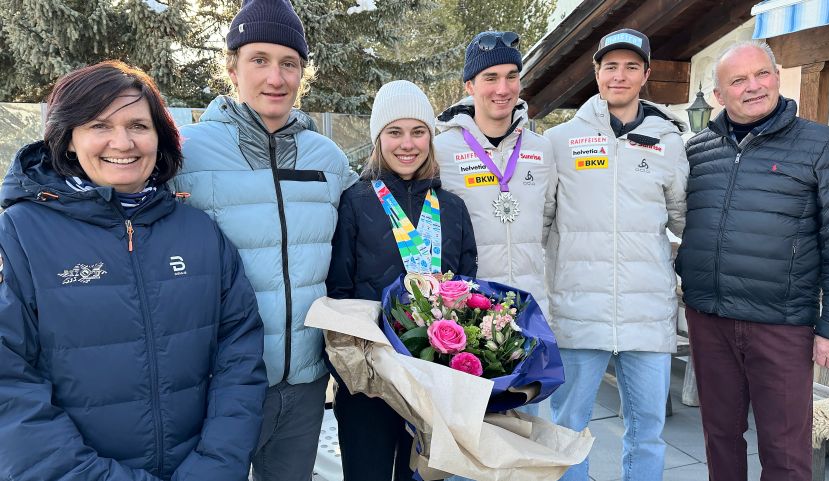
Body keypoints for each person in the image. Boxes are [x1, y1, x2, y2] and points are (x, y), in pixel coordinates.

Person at [0, 61, 267, 480]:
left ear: (159, 136)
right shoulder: (18, 235)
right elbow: (8, 385)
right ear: (69, 139)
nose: (122, 142)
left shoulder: (199, 232)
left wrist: (215, 466)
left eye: (138, 125)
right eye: (99, 125)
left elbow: (240, 354)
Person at [170, 0, 358, 478]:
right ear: (232, 68)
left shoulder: (328, 158)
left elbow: (378, 223)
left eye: (288, 63)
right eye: (259, 60)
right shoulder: (184, 154)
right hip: (220, 383)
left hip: (306, 379)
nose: (275, 78)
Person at [676, 40, 829, 481]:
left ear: (777, 77)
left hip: (782, 323)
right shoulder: (697, 151)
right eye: (739, 80)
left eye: (763, 74)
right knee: (719, 435)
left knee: (785, 448)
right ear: (719, 95)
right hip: (710, 316)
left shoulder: (824, 147)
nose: (754, 86)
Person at [543, 28, 689, 481]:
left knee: (647, 429)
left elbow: (683, 220)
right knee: (567, 428)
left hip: (646, 311)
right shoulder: (561, 140)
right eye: (610, 67)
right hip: (577, 309)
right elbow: (541, 222)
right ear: (596, 73)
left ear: (645, 74)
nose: (619, 76)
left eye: (630, 67)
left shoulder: (669, 143)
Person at [326, 80, 478, 481]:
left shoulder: (452, 208)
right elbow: (338, 290)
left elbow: (467, 288)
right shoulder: (355, 202)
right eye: (395, 132)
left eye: (418, 131)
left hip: (432, 379)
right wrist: (351, 369)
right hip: (370, 381)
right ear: (379, 138)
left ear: (431, 137)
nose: (407, 144)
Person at [433, 29, 557, 361]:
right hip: (469, 316)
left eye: (511, 76)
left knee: (531, 409)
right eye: (491, 78)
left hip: (529, 311)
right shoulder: (440, 149)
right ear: (470, 86)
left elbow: (545, 221)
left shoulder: (542, 149)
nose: (503, 89)